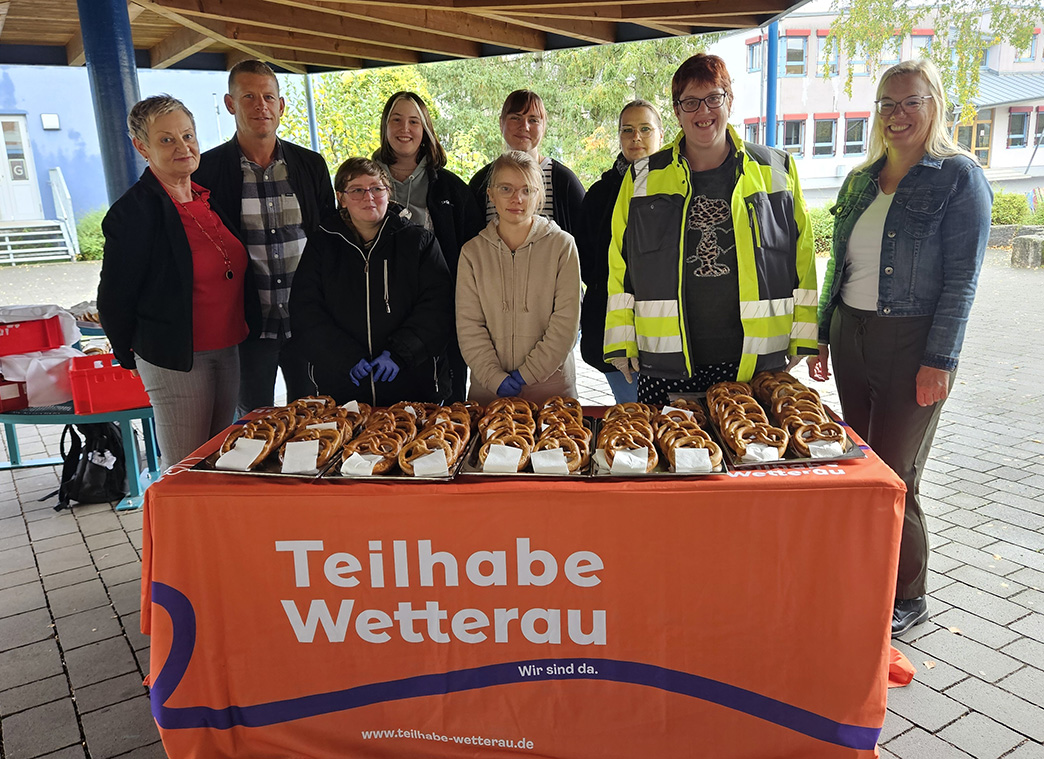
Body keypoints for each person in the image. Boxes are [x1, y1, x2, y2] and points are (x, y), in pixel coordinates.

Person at [807, 59, 992, 638]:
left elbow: (962, 279)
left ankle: (908, 593)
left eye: (911, 101)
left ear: (934, 103)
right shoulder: (861, 179)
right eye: (888, 103)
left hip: (913, 342)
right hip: (851, 334)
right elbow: (840, 263)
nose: (898, 114)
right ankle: (867, 574)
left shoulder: (959, 178)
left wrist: (941, 361)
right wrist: (821, 334)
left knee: (897, 471)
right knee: (858, 467)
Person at [604, 54, 818, 404]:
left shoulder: (776, 169)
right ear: (676, 111)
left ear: (729, 101)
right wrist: (621, 340)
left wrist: (804, 335)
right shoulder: (641, 178)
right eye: (690, 102)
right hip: (664, 364)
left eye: (713, 98)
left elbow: (803, 258)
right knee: (669, 455)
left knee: (748, 454)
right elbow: (619, 265)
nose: (702, 111)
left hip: (754, 363)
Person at [98, 95, 251, 471]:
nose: (183, 146)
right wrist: (127, 354)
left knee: (218, 461)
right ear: (142, 147)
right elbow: (114, 298)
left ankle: (213, 532)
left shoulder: (206, 198)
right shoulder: (133, 212)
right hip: (176, 357)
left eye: (188, 135)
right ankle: (178, 533)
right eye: (167, 139)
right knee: (186, 469)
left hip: (227, 347)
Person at [194, 59, 334, 417]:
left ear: (281, 106)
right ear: (230, 104)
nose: (261, 106)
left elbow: (328, 243)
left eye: (269, 97)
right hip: (248, 325)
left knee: (315, 418)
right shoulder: (207, 171)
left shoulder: (311, 165)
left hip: (307, 321)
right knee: (252, 424)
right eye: (249, 97)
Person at [289, 158, 454, 406]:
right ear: (341, 198)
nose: (369, 197)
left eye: (377, 188)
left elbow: (437, 307)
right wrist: (344, 357)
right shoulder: (321, 246)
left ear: (388, 192)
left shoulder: (419, 242)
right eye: (357, 190)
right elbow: (306, 311)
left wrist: (400, 353)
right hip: (343, 390)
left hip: (414, 387)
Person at [373, 91, 483, 403]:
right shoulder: (364, 184)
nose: (404, 128)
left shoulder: (451, 189)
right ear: (385, 126)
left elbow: (473, 258)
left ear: (425, 131)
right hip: (379, 322)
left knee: (446, 420)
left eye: (413, 121)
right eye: (396, 119)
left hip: (441, 323)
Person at [456, 151, 581, 405]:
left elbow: (566, 324)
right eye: (506, 189)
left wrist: (528, 374)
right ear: (490, 194)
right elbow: (469, 325)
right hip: (488, 394)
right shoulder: (472, 253)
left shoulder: (562, 246)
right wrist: (494, 377)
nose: (517, 198)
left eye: (527, 190)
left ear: (539, 197)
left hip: (553, 393)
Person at [577, 99, 664, 403]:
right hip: (612, 329)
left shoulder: (680, 188)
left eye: (644, 129)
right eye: (627, 130)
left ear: (661, 135)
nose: (635, 137)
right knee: (632, 422)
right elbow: (585, 264)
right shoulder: (600, 194)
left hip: (668, 334)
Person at [468, 90, 585, 235]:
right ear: (501, 123)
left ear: (544, 126)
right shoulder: (481, 182)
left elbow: (583, 241)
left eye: (533, 120)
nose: (525, 126)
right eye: (516, 118)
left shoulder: (564, 182)